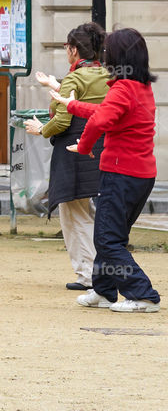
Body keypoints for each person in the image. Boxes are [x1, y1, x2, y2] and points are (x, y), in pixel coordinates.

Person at [50, 27, 160, 313]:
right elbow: (105, 112)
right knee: (111, 234)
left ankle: (142, 294)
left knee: (108, 239)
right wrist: (71, 105)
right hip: (140, 173)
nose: (105, 55)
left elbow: (99, 123)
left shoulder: (124, 87)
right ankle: (103, 289)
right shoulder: (140, 86)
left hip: (121, 172)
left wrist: (84, 147)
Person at [24, 22, 107, 291]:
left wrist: (40, 130)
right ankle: (99, 271)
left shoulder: (74, 78)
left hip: (74, 151)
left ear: (73, 50)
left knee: (73, 214)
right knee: (90, 213)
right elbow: (90, 101)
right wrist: (54, 84)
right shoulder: (107, 74)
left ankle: (88, 274)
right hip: (100, 147)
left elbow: (61, 121)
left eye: (66, 47)